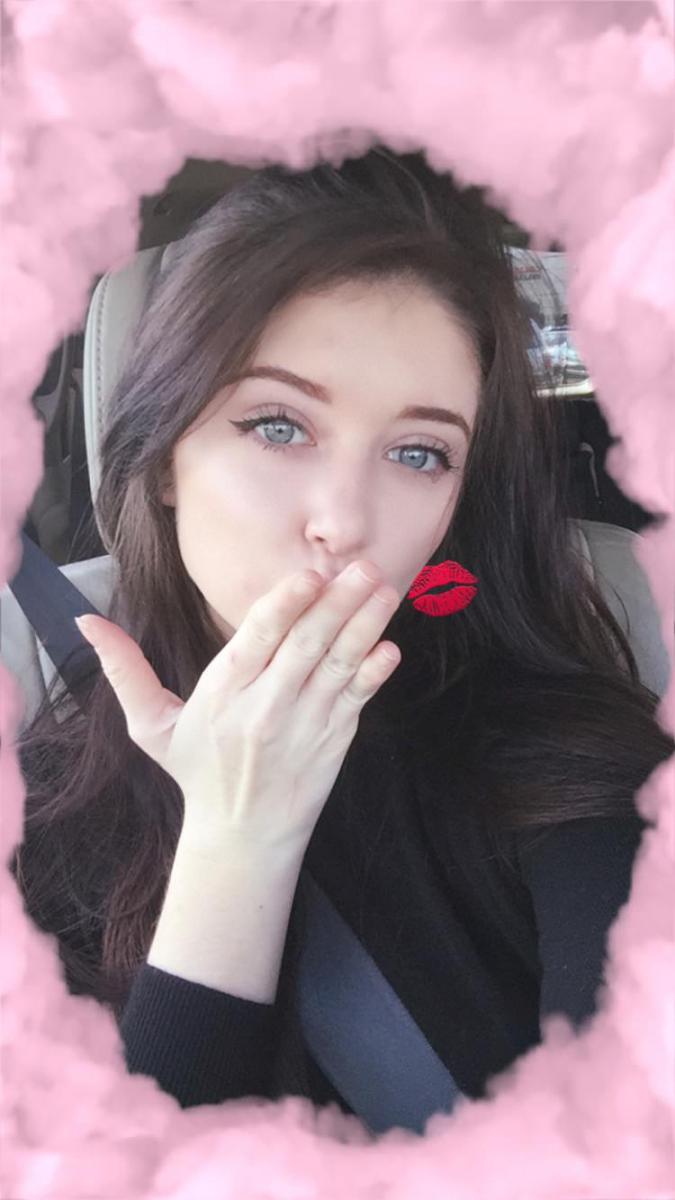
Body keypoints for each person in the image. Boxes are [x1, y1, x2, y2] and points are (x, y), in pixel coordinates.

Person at [12, 148, 673, 1122]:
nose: (345, 521)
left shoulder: (575, 764)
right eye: (279, 426)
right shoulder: (39, 808)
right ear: (164, 460)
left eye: (418, 452)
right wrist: (237, 843)